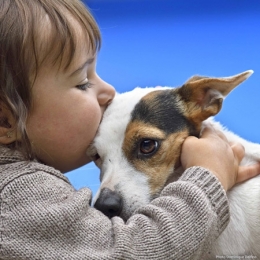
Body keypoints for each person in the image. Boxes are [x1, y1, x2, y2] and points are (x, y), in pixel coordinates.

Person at [0, 0, 259, 259]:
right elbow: (133, 252)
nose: (110, 90)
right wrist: (210, 175)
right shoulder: (18, 197)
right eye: (82, 82)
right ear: (5, 122)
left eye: (147, 146)